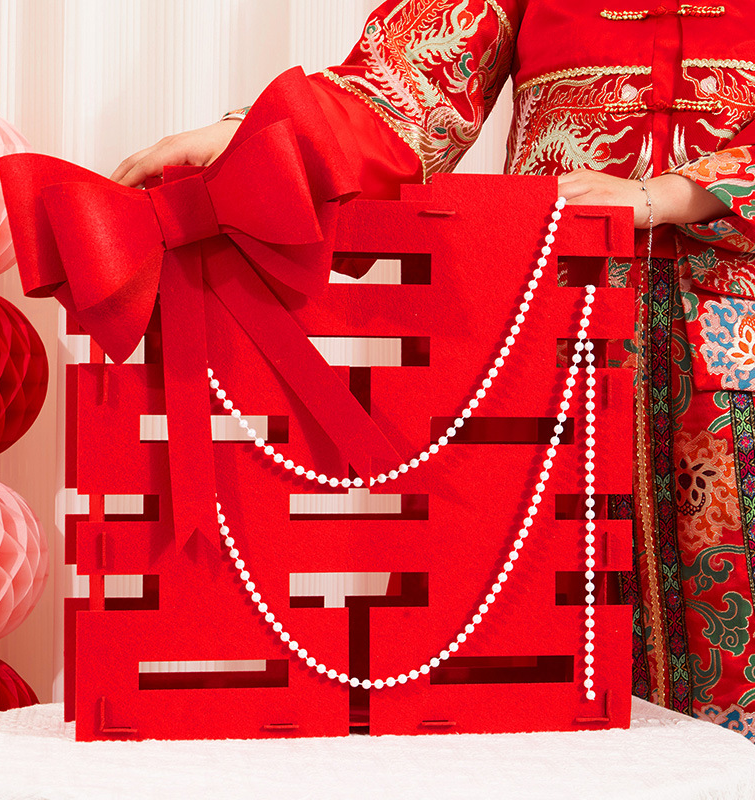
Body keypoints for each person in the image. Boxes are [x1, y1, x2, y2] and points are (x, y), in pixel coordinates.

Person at [114, 0, 755, 738]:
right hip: (551, 326)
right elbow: (405, 84)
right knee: (534, 622)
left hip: (730, 339)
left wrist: (671, 195)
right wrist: (252, 137)